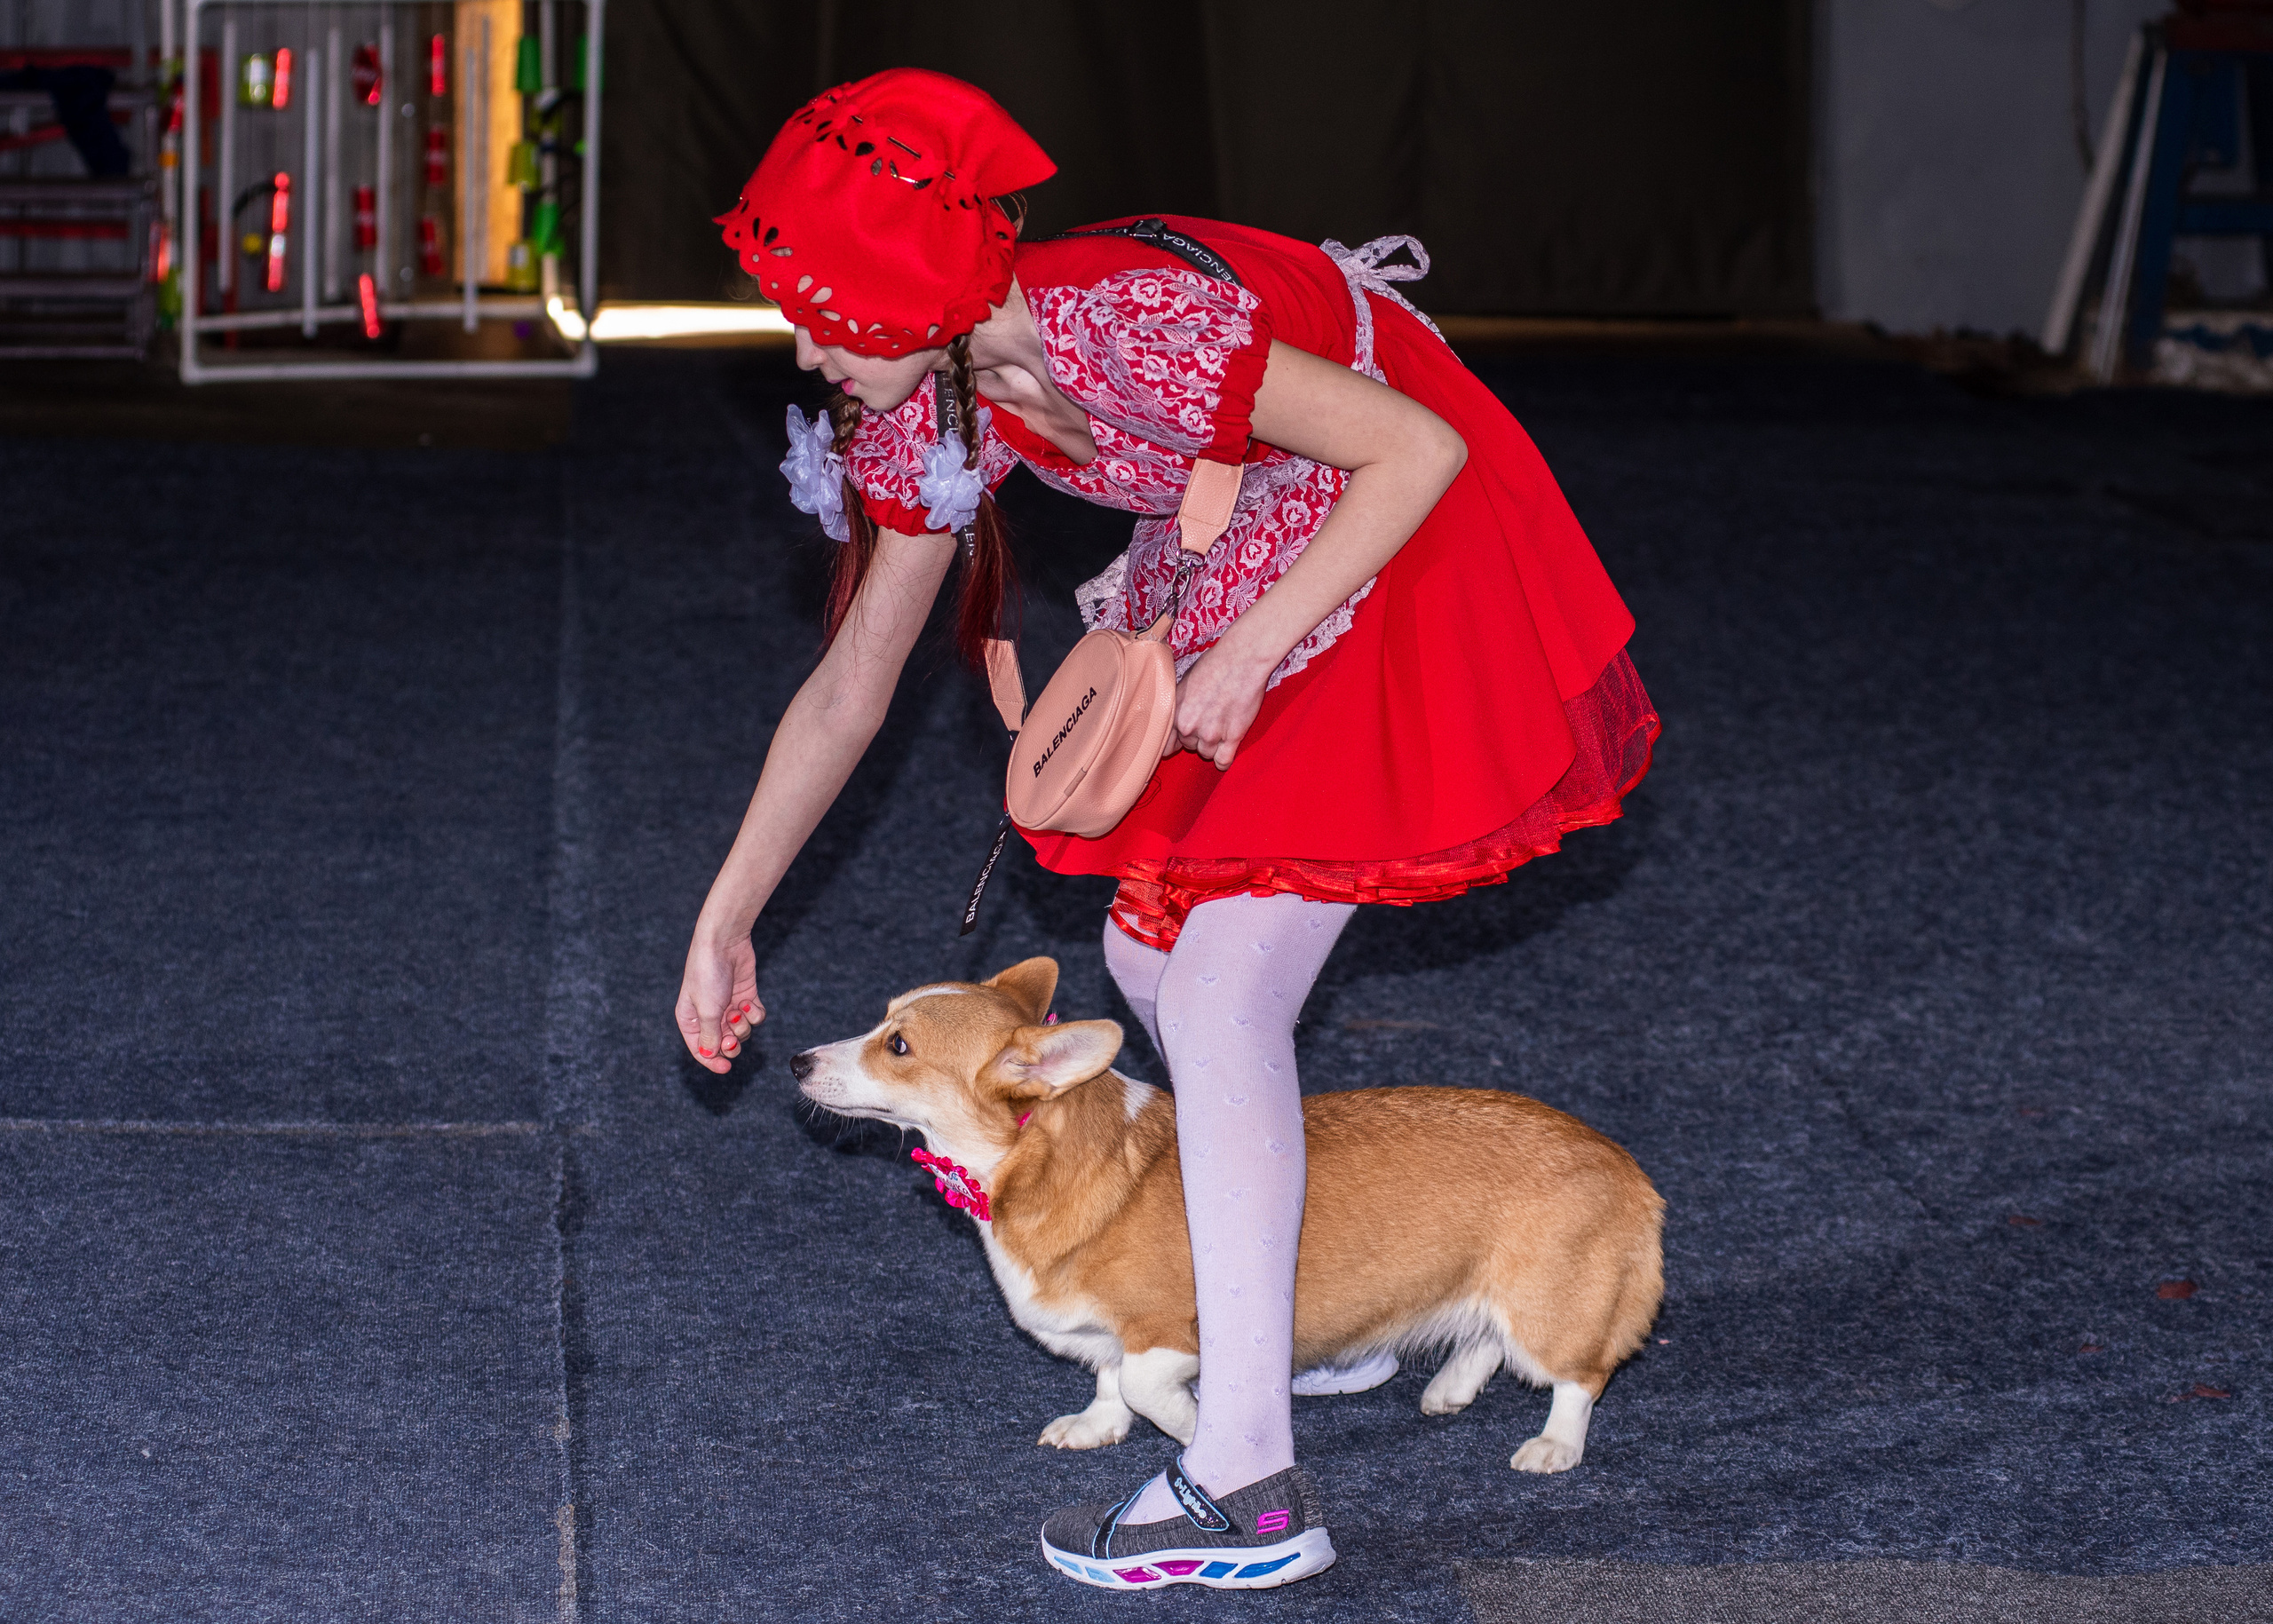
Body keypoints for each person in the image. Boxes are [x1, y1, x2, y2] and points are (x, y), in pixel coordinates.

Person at [679, 67, 1658, 1591]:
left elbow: (1419, 453)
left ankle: (1250, 1478)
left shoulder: (1115, 317)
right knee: (1149, 966)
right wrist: (727, 910)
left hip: (1387, 535)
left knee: (1213, 991)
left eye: (826, 306)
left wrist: (1253, 647)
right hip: (1258, 555)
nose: (803, 348)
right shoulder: (940, 396)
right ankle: (1271, 1310)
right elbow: (850, 687)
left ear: (911, 286)